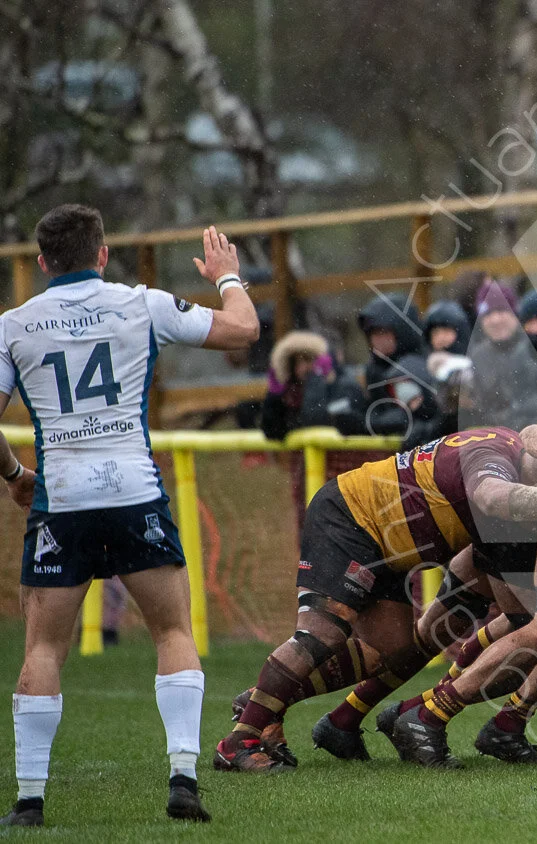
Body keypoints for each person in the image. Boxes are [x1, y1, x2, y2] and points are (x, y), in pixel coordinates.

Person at [0, 208, 261, 826]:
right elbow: (243, 329)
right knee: (172, 633)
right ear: (104, 253)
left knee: (43, 646)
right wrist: (227, 277)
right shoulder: (141, 304)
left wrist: (14, 477)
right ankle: (183, 781)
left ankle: (29, 802)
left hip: (61, 499)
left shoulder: (13, 325)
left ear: (42, 263)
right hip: (134, 492)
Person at [215, 428, 537, 771]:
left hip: (389, 547)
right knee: (321, 634)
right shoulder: (495, 458)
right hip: (352, 518)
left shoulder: (513, 472)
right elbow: (490, 496)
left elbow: (517, 610)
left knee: (396, 649)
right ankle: (238, 742)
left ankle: (265, 701)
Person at [467, 280, 537, 430]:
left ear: (515, 314)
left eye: (501, 311)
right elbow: (481, 409)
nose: (495, 320)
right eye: (488, 314)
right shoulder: (478, 356)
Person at [354, 293, 438, 439]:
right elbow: (377, 410)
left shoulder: (426, 364)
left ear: (402, 331)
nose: (377, 339)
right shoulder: (373, 370)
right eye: (372, 333)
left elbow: (433, 416)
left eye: (384, 332)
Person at [260, 331, 363, 441]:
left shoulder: (344, 386)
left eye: (308, 359)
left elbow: (315, 421)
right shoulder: (292, 395)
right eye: (297, 362)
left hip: (344, 456)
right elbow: (272, 432)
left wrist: (316, 378)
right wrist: (273, 397)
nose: (303, 367)